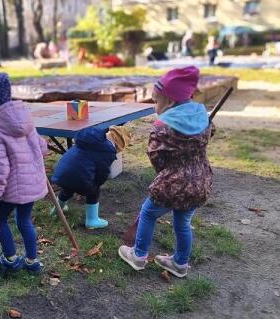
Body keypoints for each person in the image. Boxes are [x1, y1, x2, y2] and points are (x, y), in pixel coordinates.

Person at [118, 66, 214, 278]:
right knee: (183, 223)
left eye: (156, 101)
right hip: (200, 182)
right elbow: (210, 133)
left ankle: (139, 256)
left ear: (170, 102)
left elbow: (155, 155)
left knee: (148, 213)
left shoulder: (162, 126)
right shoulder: (203, 117)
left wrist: (165, 170)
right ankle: (179, 263)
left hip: (172, 183)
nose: (155, 106)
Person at [0, 71, 48, 276]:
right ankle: (32, 261)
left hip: (9, 191)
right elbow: (42, 148)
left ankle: (10, 260)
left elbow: (0, 169)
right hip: (31, 185)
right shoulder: (25, 119)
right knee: (24, 220)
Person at [51, 125, 131, 229]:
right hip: (80, 177)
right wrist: (97, 183)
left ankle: (56, 210)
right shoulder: (107, 151)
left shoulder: (88, 139)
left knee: (68, 187)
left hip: (62, 172)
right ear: (118, 145)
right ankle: (92, 220)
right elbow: (102, 172)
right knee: (94, 191)